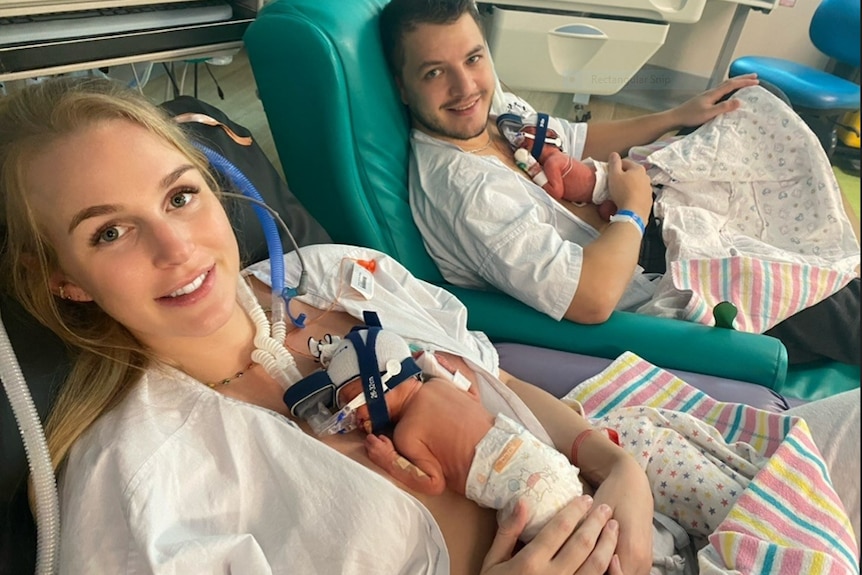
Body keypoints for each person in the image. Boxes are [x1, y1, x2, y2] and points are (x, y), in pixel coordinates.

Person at [1, 77, 857, 575]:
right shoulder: (143, 478)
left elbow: (494, 379)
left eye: (181, 195)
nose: (176, 246)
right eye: (109, 232)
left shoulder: (333, 275)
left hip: (645, 503)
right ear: (63, 281)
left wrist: (615, 465)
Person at [379, 0, 861, 366]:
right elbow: (591, 299)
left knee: (754, 103)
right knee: (843, 301)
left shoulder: (491, 109)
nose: (466, 88)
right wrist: (633, 208)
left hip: (648, 208)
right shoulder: (466, 192)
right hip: (658, 273)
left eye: (473, 58)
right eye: (435, 72)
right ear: (403, 86)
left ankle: (827, 237)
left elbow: (574, 136)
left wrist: (678, 115)